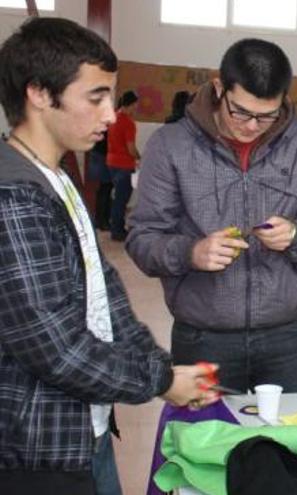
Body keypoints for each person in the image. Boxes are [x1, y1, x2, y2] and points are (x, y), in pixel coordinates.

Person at [0, 18, 216, 495]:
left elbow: (107, 297)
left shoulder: (56, 179)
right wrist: (160, 380)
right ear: (39, 93)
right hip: (38, 450)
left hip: (87, 430)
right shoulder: (12, 195)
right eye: (95, 97)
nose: (110, 116)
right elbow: (56, 349)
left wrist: (160, 365)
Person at [127, 38, 297, 394]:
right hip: (202, 337)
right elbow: (142, 239)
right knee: (203, 444)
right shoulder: (170, 146)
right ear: (218, 88)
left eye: (267, 115)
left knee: (292, 444)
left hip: (287, 336)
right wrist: (190, 253)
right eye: (240, 111)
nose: (253, 126)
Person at [106, 89, 139, 241]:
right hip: (124, 165)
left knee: (116, 197)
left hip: (111, 163)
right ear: (130, 105)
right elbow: (131, 148)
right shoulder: (128, 122)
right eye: (135, 106)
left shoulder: (113, 117)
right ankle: (118, 231)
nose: (135, 109)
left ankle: (115, 226)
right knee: (122, 199)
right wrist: (140, 157)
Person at [87, 131, 112, 230]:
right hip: (103, 157)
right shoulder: (108, 127)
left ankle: (99, 220)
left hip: (96, 155)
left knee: (102, 190)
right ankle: (103, 222)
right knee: (105, 190)